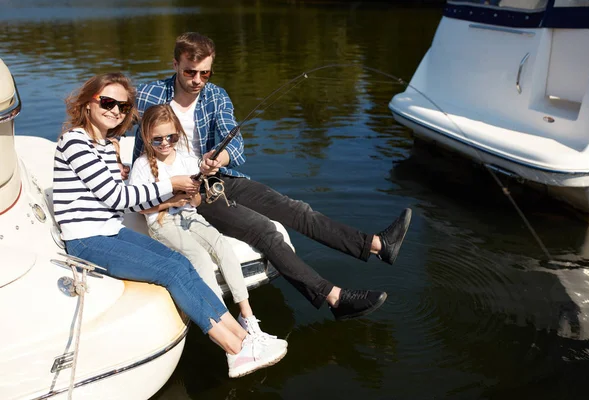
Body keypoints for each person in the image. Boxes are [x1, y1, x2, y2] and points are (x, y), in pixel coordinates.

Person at [133, 32, 412, 321]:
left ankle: (377, 245)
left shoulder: (215, 95)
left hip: (218, 177)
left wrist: (217, 158)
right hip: (187, 195)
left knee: (296, 210)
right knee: (265, 231)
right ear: (175, 64)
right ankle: (335, 298)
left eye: (205, 73)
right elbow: (118, 124)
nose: (198, 80)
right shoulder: (149, 94)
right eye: (190, 71)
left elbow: (236, 144)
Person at [53, 72, 287, 378]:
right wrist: (169, 183)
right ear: (87, 102)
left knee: (180, 261)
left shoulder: (106, 144)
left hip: (110, 230)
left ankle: (246, 338)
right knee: (172, 271)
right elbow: (115, 197)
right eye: (108, 102)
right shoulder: (75, 142)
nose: (115, 111)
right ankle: (234, 350)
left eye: (123, 107)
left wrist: (167, 187)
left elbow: (121, 198)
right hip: (87, 238)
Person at [129, 103, 280, 340]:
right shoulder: (141, 166)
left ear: (178, 133)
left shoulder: (188, 159)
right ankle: (223, 322)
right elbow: (138, 207)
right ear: (147, 137)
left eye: (171, 137)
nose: (165, 143)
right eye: (158, 139)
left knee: (222, 246)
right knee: (197, 255)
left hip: (191, 216)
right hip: (161, 221)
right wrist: (172, 202)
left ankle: (247, 316)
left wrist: (195, 194)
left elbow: (198, 201)